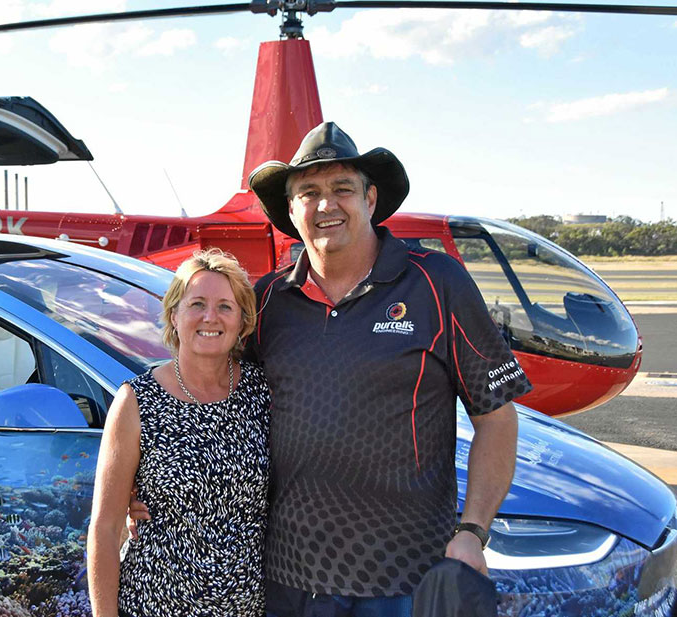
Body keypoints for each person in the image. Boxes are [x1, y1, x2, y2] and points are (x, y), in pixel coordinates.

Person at [130, 122, 531, 616]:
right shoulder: (269, 301)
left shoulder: (436, 282)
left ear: (370, 198)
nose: (326, 205)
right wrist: (147, 489)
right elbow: (215, 399)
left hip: (407, 577)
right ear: (291, 210)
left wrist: (472, 531)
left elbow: (496, 416)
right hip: (287, 577)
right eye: (309, 193)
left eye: (342, 188)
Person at [88, 249, 271, 617]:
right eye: (197, 304)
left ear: (243, 322)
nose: (210, 317)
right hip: (154, 604)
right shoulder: (136, 401)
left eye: (225, 307)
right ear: (174, 315)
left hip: (247, 608)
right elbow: (105, 529)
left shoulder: (263, 391)